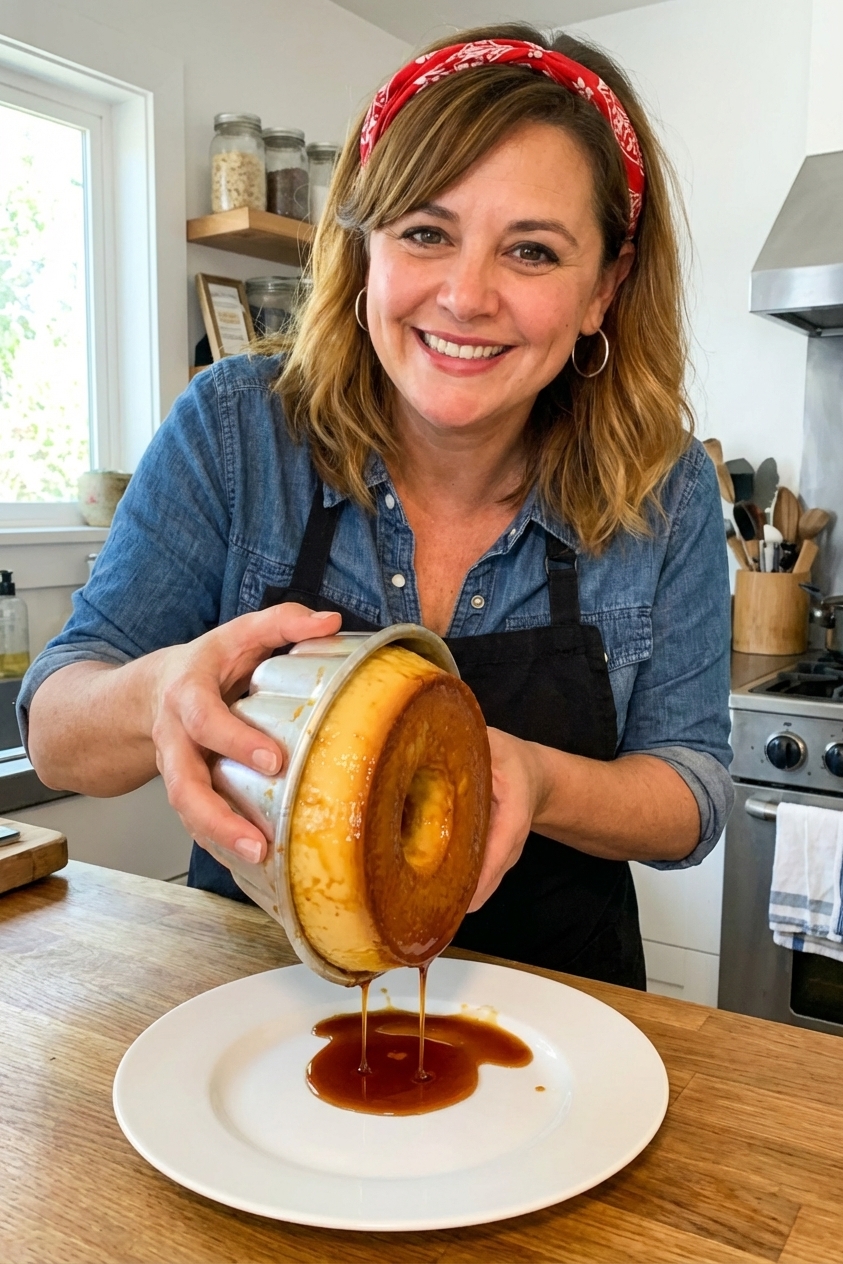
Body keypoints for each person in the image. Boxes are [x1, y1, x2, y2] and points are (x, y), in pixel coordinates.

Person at [18, 25, 733, 989]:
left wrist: (537, 778)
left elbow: (691, 795)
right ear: (362, 253)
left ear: (603, 288)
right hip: (252, 1007)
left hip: (555, 1019)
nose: (466, 295)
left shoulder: (668, 487)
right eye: (425, 233)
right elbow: (56, 737)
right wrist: (156, 694)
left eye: (530, 251)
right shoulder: (236, 431)